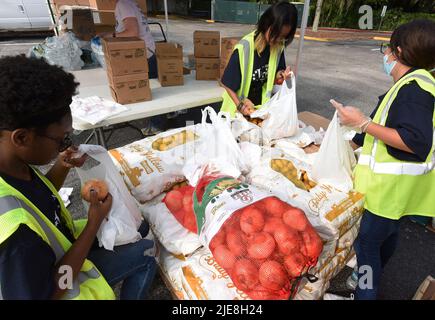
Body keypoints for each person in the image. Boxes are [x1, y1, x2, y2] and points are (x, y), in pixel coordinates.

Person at [0, 55, 157, 300]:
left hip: (60, 245)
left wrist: (62, 165)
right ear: (21, 138)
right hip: (61, 282)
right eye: (61, 139)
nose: (67, 145)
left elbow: (35, 200)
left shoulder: (13, 164)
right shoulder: (15, 237)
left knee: (140, 226)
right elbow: (49, 290)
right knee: (147, 252)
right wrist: (93, 224)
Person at [331, 19, 435, 300]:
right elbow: (385, 122)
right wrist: (355, 138)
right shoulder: (418, 83)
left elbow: (415, 140)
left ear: (398, 51)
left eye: (386, 50)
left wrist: (362, 123)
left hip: (386, 192)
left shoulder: (414, 90)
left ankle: (364, 293)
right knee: (385, 241)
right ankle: (371, 279)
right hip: (401, 193)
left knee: (366, 250)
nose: (385, 56)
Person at [220, 1, 298, 117]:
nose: (277, 40)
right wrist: (240, 106)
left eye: (282, 37)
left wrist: (282, 75)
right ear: (266, 24)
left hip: (258, 109)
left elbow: (275, 72)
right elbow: (226, 83)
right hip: (235, 111)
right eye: (275, 34)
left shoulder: (278, 47)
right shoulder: (244, 48)